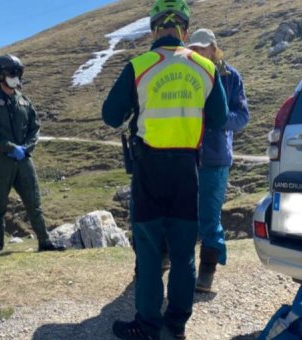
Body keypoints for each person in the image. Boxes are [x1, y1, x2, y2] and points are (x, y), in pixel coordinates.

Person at [102, 0, 229, 338]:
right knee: (184, 252)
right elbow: (219, 118)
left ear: (154, 28)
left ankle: (146, 326)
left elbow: (110, 115)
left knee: (148, 251)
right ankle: (176, 325)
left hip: (149, 170)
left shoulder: (139, 66)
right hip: (188, 170)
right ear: (184, 30)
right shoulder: (205, 68)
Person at [0, 54, 64, 256]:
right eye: (13, 73)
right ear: (1, 75)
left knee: (34, 202)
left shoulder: (24, 101)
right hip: (1, 161)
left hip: (24, 160)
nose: (17, 78)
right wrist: (10, 148)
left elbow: (35, 128)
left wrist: (26, 148)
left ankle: (45, 242)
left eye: (19, 73)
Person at [187, 28, 250, 293]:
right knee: (183, 215)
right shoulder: (188, 75)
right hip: (188, 155)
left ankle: (207, 274)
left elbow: (242, 116)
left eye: (203, 47)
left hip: (215, 158)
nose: (199, 52)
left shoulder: (230, 76)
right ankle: (179, 266)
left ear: (214, 48)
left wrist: (220, 120)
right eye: (195, 48)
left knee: (209, 217)